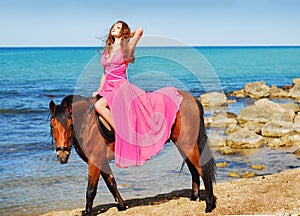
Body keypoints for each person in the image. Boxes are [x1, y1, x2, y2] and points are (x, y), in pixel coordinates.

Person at [94, 21, 183, 167]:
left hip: (120, 87)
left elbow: (140, 30)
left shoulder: (126, 48)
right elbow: (105, 72)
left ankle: (121, 133)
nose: (114, 29)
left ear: (123, 32)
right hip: (107, 87)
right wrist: (99, 88)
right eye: (113, 27)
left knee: (99, 106)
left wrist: (128, 35)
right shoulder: (107, 50)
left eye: (118, 27)